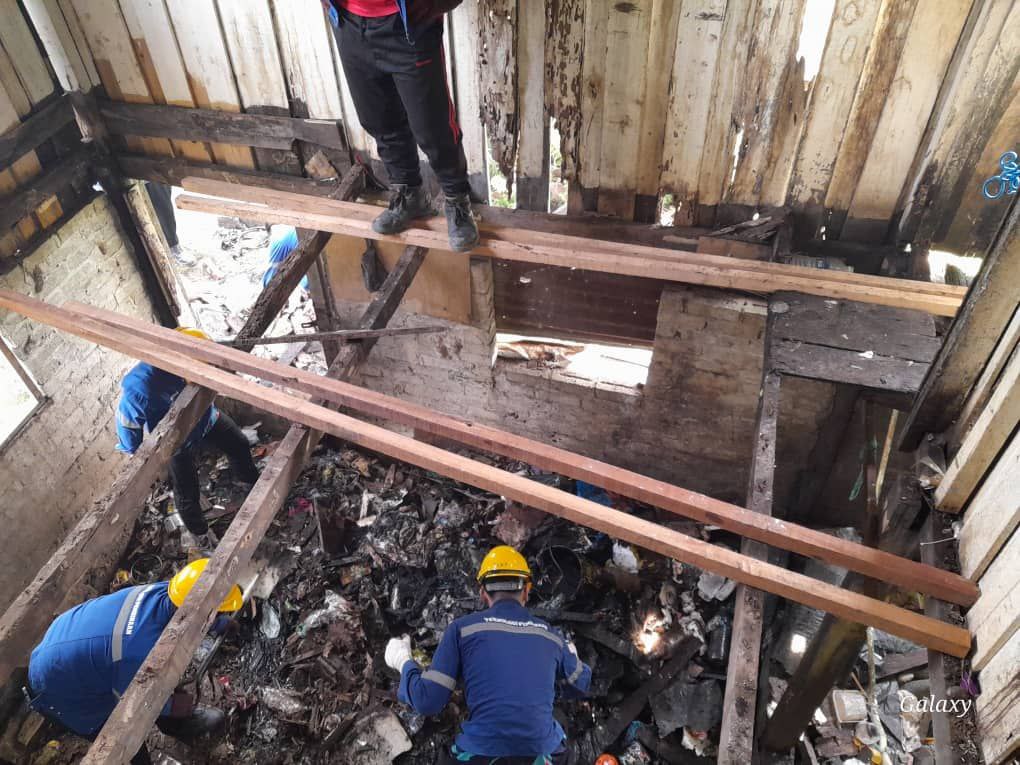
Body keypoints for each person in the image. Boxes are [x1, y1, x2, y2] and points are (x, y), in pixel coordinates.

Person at [385, 546, 591, 764]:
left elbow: (427, 701)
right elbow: (581, 684)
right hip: (542, 755)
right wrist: (570, 656)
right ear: (527, 590)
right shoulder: (551, 636)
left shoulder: (462, 630)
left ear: (483, 592)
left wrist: (403, 660)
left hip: (480, 755)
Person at [26, 559, 241, 764]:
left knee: (160, 680)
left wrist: (218, 623)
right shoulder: (137, 651)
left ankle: (178, 725)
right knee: (121, 735)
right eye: (217, 611)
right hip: (58, 685)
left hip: (68, 638)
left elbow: (191, 614)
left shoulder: (170, 592)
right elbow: (135, 701)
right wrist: (170, 705)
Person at [323, 0, 481, 253]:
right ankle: (409, 196)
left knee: (433, 125)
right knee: (378, 119)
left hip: (407, 24)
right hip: (348, 21)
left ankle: (457, 201)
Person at [115, 327, 259, 550]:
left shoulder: (197, 351)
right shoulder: (141, 387)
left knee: (239, 443)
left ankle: (250, 483)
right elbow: (127, 424)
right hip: (176, 442)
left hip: (206, 418)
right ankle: (200, 533)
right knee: (187, 491)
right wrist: (135, 452)